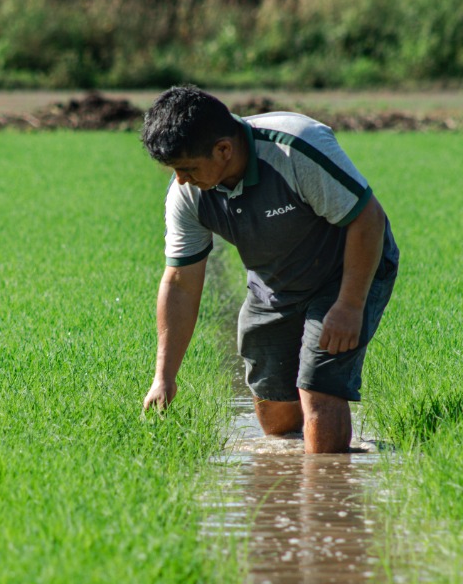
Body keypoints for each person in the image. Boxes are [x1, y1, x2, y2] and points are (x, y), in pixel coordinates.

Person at [139, 85, 397, 453]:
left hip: (345, 272)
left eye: (188, 168)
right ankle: (288, 494)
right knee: (275, 415)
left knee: (318, 387)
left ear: (223, 150)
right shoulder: (188, 193)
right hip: (273, 282)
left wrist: (350, 305)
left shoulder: (294, 149)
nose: (180, 179)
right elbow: (180, 282)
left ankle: (326, 495)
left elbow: (368, 220)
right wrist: (164, 378)